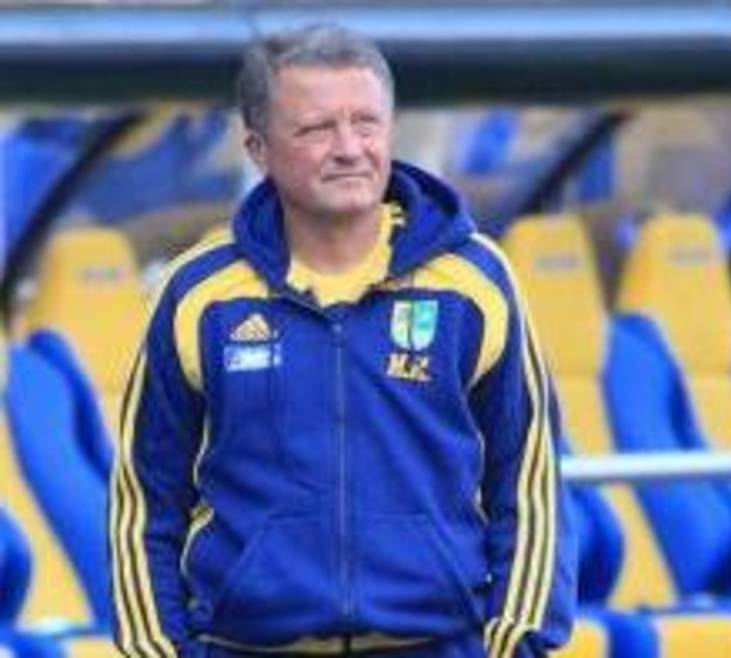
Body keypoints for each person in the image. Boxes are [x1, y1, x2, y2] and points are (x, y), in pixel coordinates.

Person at [109, 23, 576, 658]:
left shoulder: (474, 281)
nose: (349, 148)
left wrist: (517, 640)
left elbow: (527, 480)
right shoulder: (200, 294)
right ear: (258, 148)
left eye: (366, 123)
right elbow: (145, 498)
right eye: (316, 129)